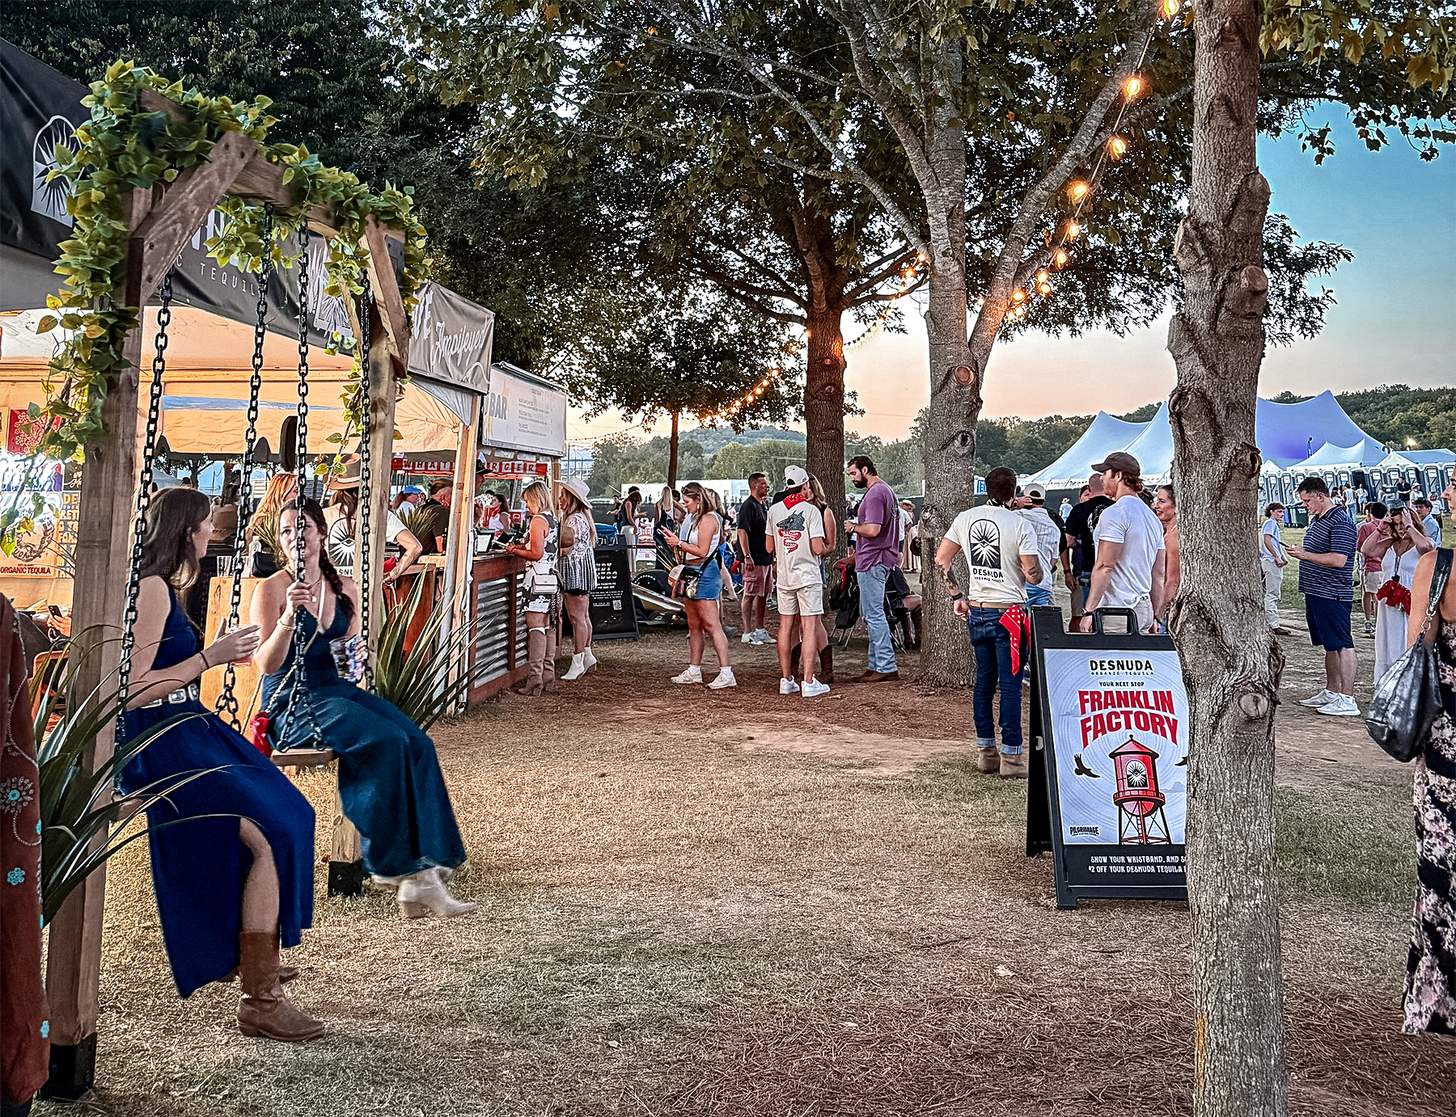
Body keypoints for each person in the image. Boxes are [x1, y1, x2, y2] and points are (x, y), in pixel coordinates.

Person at [121, 487, 323, 1041]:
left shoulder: (165, 588)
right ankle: (261, 999)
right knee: (264, 830)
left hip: (191, 726)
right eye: (208, 524)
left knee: (293, 814)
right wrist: (212, 655)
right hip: (163, 739)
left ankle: (256, 951)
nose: (215, 531)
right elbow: (133, 690)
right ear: (185, 531)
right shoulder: (152, 590)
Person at [252, 499, 474, 919]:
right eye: (284, 532)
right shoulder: (273, 589)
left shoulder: (344, 588)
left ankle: (428, 871)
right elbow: (265, 664)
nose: (294, 537)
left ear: (320, 532)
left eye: (302, 528)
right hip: (293, 700)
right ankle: (401, 871)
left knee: (417, 742)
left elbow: (348, 660)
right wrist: (288, 619)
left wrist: (357, 662)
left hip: (334, 690)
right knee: (386, 741)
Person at [934, 466, 1041, 778]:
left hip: (978, 609)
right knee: (1009, 685)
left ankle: (986, 752)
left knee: (983, 683)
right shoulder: (1020, 524)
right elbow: (1032, 573)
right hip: (1010, 612)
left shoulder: (965, 518)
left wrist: (957, 594)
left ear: (986, 488)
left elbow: (942, 559)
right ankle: (1012, 758)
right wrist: (1039, 570)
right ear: (1014, 490)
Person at [1401, 475, 1455, 1036]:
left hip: (1448, 747)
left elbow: (1420, 655)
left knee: (1444, 872)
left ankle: (1439, 996)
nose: (1446, 495)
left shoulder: (1437, 569)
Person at [1288, 475, 1360, 717]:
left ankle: (1347, 697)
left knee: (1342, 643)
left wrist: (1305, 555)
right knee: (1329, 645)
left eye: (1307, 501)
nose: (1305, 506)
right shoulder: (1319, 520)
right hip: (1316, 590)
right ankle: (1332, 690)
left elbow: (1338, 560)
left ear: (1321, 496)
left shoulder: (1340, 522)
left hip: (1333, 592)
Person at [1076, 453, 1165, 634]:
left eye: (1105, 473)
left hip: (1117, 610)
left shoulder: (1115, 513)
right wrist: (1155, 615)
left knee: (1109, 660)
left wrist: (1089, 611)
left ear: (1118, 476)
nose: (1101, 478)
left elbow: (1104, 565)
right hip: (1143, 608)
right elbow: (1158, 574)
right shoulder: (1151, 517)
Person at [662, 482, 736, 688]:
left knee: (712, 625)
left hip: (705, 572)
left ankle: (726, 671)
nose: (685, 506)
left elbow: (702, 550)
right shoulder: (697, 518)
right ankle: (694, 669)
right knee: (694, 624)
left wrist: (679, 543)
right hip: (693, 571)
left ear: (698, 500)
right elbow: (719, 540)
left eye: (687, 502)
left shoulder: (708, 519)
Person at [765, 466, 830, 699]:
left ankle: (786, 679)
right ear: (804, 486)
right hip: (807, 575)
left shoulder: (774, 510)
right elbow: (817, 547)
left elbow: (769, 547)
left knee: (785, 626)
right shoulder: (811, 511)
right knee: (809, 627)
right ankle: (809, 680)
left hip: (784, 575)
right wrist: (826, 547)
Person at [1360, 502, 1436, 682]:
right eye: (1397, 525)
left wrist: (1409, 526)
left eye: (1403, 524)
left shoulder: (1422, 544)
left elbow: (1427, 548)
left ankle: (1408, 683)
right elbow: (1366, 550)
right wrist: (1381, 527)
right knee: (1387, 642)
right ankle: (1387, 682)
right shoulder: (1390, 544)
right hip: (1388, 605)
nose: (1400, 528)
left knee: (1407, 641)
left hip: (1411, 603)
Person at [323, 457, 424, 586]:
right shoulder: (380, 515)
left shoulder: (324, 515)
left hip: (330, 588)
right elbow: (415, 547)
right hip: (367, 588)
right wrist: (394, 574)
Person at [845, 455, 901, 681]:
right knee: (871, 613)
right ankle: (875, 663)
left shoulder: (877, 493)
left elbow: (874, 529)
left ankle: (886, 665)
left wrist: (853, 527)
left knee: (874, 614)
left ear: (865, 469)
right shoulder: (885, 491)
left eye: (853, 473)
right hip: (877, 558)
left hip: (874, 560)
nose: (852, 478)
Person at [503, 480, 561, 696]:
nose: (526, 506)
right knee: (548, 625)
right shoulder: (552, 519)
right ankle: (548, 675)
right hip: (550, 579)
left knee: (535, 626)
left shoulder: (537, 520)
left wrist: (515, 551)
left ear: (535, 499)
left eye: (527, 501)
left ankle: (534, 678)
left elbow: (536, 553)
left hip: (536, 578)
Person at [557, 477, 599, 681]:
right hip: (583, 570)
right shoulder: (583, 518)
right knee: (583, 616)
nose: (559, 499)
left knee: (577, 618)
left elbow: (568, 547)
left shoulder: (573, 520)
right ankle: (587, 654)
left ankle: (578, 660)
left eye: (563, 496)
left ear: (571, 498)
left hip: (574, 571)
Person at [1064, 474, 1113, 621]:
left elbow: (1067, 541)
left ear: (1090, 488)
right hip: (1114, 570)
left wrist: (1067, 570)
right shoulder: (1116, 508)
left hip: (1088, 569)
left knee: (1086, 617)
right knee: (1112, 618)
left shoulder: (1079, 510)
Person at [735, 472, 774, 646]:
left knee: (763, 593)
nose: (766, 486)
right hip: (754, 558)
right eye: (763, 484)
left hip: (765, 558)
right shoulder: (748, 506)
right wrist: (747, 556)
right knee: (749, 593)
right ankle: (747, 631)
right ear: (754, 486)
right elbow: (742, 531)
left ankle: (759, 629)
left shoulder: (762, 506)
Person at [1016, 483, 1062, 609]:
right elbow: (1053, 560)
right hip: (1044, 582)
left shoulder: (1018, 516)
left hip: (1022, 582)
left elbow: (1000, 512)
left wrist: (1015, 503)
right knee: (1040, 625)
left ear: (1026, 500)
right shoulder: (1054, 528)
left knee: (1016, 625)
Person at [244, 473, 299, 577]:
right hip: (275, 573)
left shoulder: (260, 518)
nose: (300, 495)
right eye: (296, 491)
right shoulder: (273, 519)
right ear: (282, 492)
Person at [1355, 502, 1390, 637]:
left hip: (1371, 565)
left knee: (1369, 594)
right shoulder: (1389, 527)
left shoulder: (1366, 527)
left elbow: (1360, 547)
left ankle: (1370, 621)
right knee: (1380, 596)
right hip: (1385, 566)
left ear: (1370, 513)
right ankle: (1378, 622)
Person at [1151, 484, 1180, 630]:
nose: (1156, 506)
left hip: (1169, 609)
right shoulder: (1165, 532)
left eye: (1162, 502)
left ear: (1175, 507)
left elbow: (1172, 580)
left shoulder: (1175, 536)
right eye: (1156, 501)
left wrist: (1159, 614)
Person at [1260, 502, 1291, 634]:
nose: (1281, 514)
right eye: (1279, 511)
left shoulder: (1273, 525)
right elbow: (1267, 540)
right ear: (1271, 511)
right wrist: (1276, 557)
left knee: (1269, 591)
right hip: (1270, 561)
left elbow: (1275, 542)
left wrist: (1282, 556)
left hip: (1271, 560)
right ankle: (1273, 623)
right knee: (1272, 593)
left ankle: (1270, 620)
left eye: (1282, 512)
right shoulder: (1270, 523)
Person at [413, 479, 452, 554]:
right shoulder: (441, 511)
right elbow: (442, 548)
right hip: (429, 563)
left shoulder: (421, 509)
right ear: (443, 498)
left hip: (416, 560)